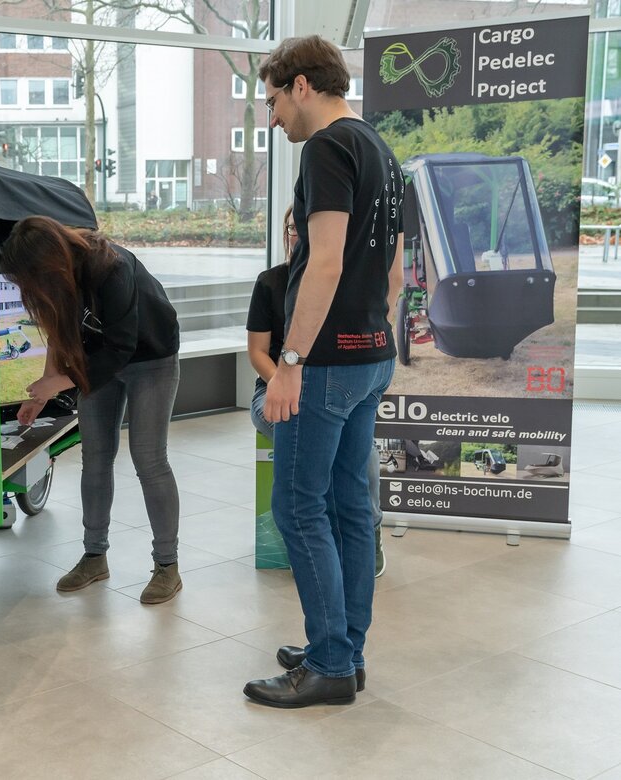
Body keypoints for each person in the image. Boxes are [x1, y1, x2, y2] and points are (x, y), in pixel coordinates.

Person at [242, 35, 403, 709]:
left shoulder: (328, 149)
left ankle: (332, 663)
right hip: (373, 355)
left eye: (274, 101)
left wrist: (291, 363)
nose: (273, 119)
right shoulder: (384, 153)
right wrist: (368, 337)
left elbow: (327, 261)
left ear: (301, 85)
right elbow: (394, 273)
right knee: (348, 509)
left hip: (330, 362)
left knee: (298, 509)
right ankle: (347, 651)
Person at [0, 215, 183, 604]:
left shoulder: (110, 267)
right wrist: (42, 393)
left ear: (48, 262)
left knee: (149, 458)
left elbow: (122, 347)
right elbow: (58, 333)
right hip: (95, 358)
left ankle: (167, 566)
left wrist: (61, 382)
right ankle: (94, 556)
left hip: (150, 356)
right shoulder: (57, 280)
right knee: (95, 457)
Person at [246, 207, 387, 578]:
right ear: (285, 233)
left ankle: (367, 530)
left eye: (306, 229)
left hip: (332, 392)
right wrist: (283, 383)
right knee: (309, 443)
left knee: (361, 448)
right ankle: (317, 541)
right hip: (274, 392)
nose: (298, 236)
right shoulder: (270, 282)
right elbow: (258, 352)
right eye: (292, 229)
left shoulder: (342, 284)